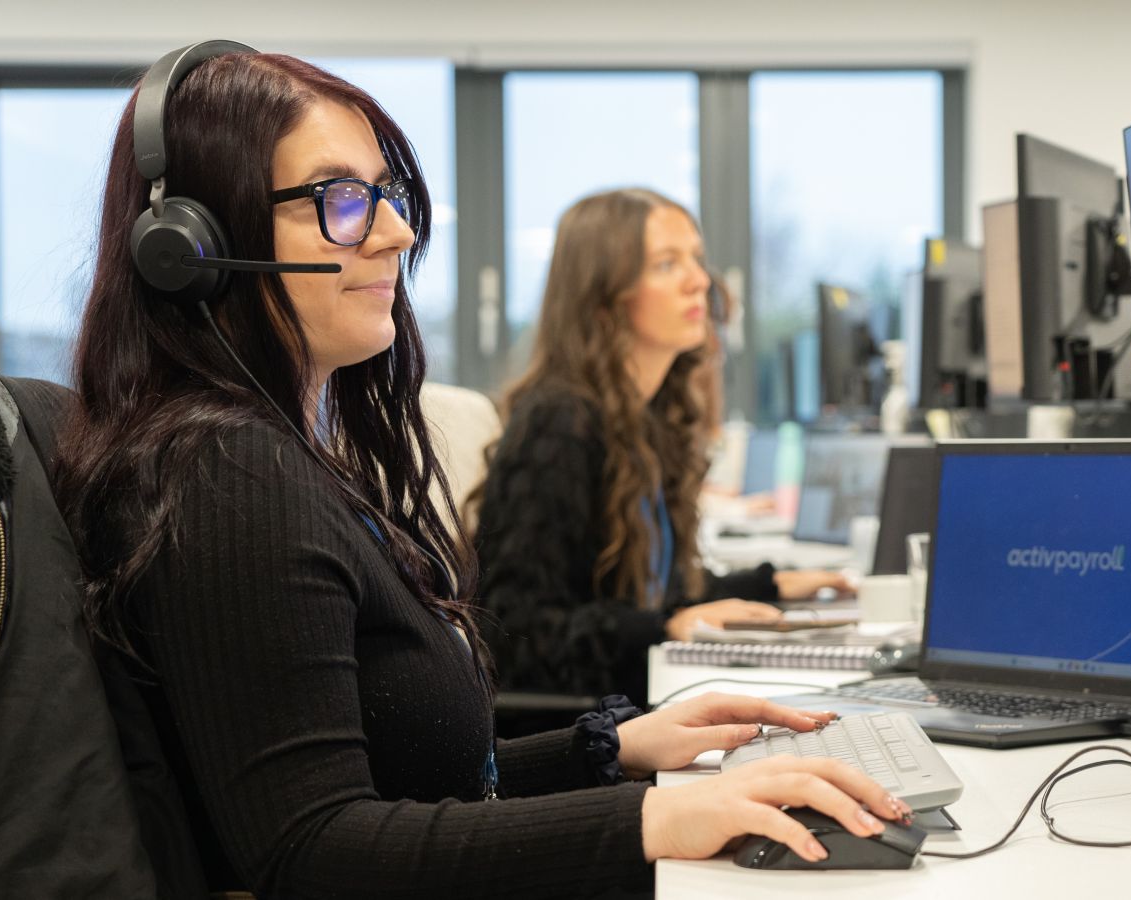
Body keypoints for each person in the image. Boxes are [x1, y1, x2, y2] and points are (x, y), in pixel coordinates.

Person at [52, 44, 907, 898]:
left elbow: (418, 780)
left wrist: (611, 748)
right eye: (341, 199)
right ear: (192, 247)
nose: (398, 230)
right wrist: (654, 819)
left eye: (386, 193)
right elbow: (314, 849)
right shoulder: (230, 480)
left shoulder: (284, 459)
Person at [472, 188, 851, 702]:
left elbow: (655, 597)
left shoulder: (644, 420)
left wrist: (770, 586)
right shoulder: (559, 423)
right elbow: (517, 635)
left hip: (640, 698)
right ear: (603, 296)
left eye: (695, 258)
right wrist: (665, 627)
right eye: (667, 264)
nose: (700, 280)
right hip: (591, 725)